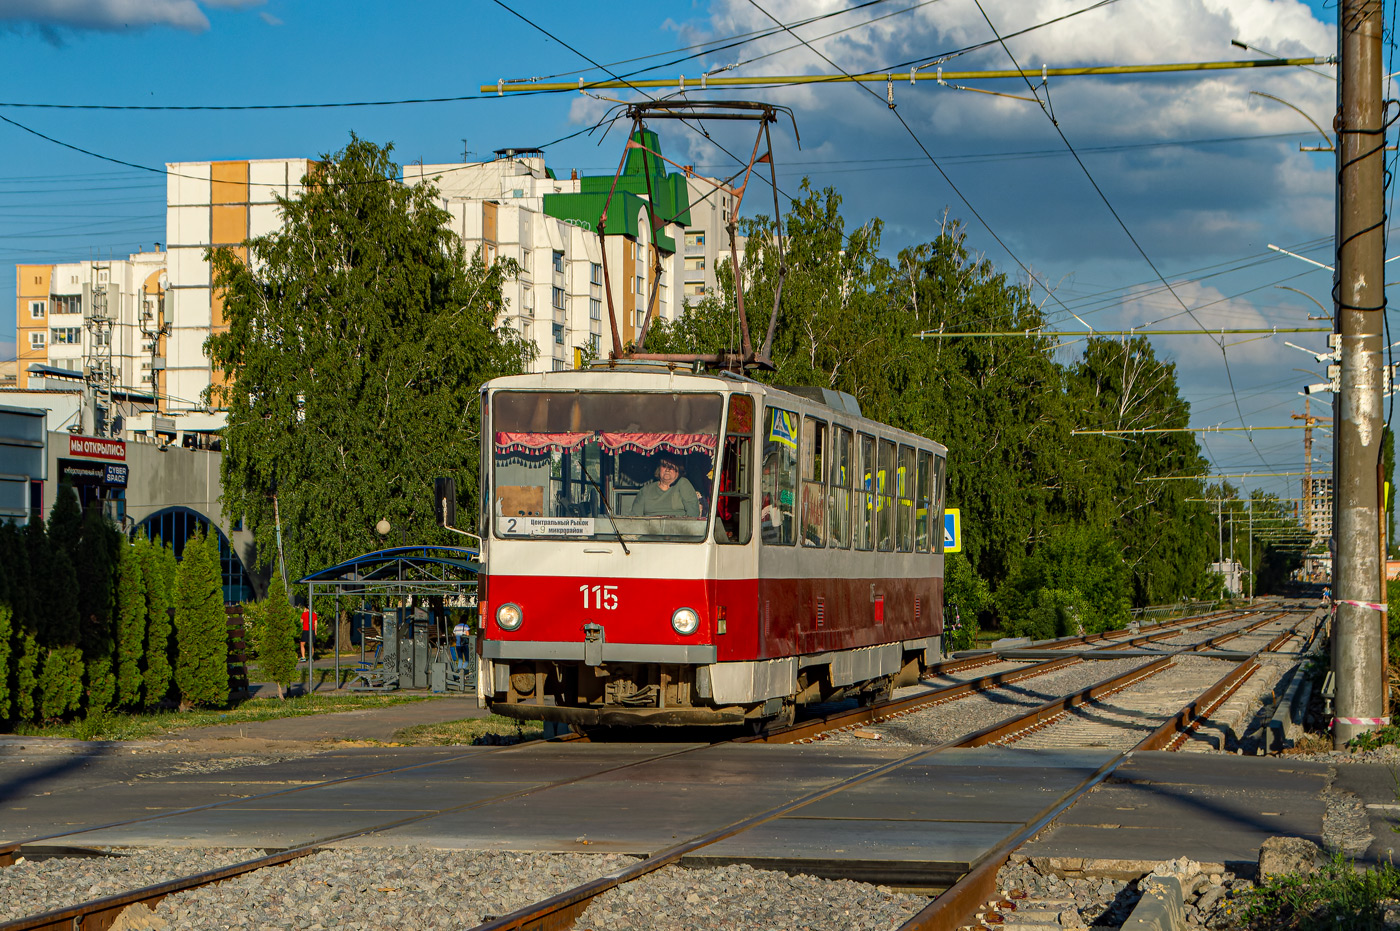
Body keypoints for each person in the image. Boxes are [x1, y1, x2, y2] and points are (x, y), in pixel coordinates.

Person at [629, 455, 700, 518]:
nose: (667, 470)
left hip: (678, 527)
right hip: (650, 527)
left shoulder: (683, 483)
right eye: (664, 466)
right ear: (659, 469)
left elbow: (693, 512)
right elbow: (635, 516)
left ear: (678, 471)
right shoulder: (645, 490)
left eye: (671, 467)